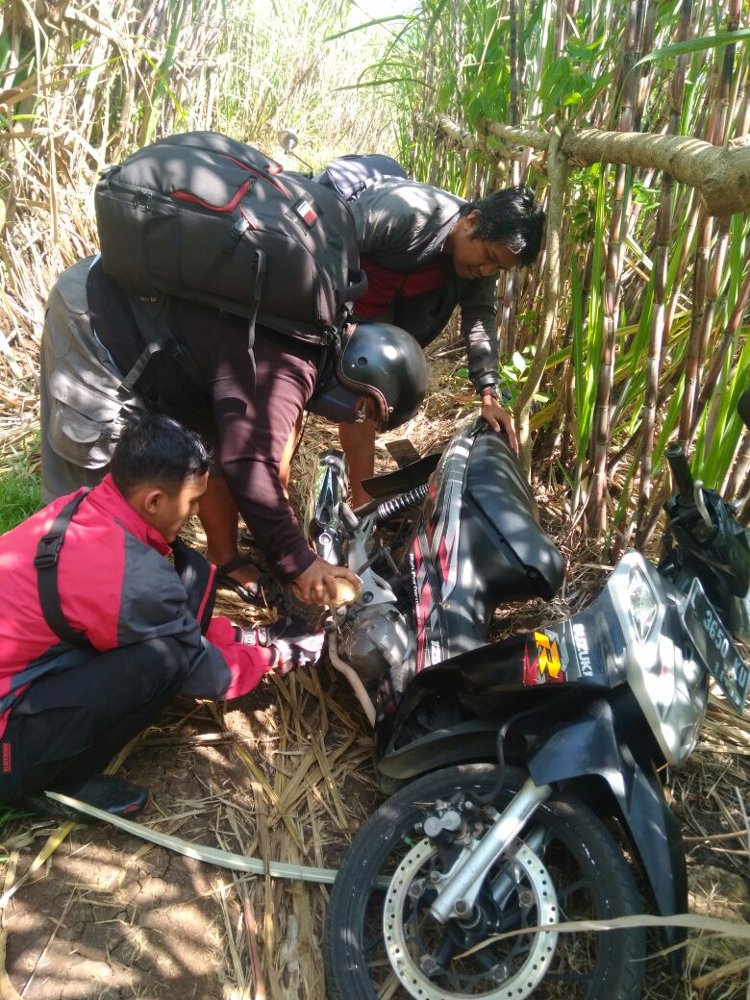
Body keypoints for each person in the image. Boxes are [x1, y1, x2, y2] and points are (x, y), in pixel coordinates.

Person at [39, 253, 428, 606]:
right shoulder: (290, 367)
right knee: (97, 484)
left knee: (208, 445)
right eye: (364, 409)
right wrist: (301, 564)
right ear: (361, 371)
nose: (354, 418)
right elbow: (248, 463)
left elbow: (240, 449)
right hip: (98, 316)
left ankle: (221, 560)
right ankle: (69, 596)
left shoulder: (320, 337)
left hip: (166, 334)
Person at [0, 413, 325, 820]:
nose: (195, 513)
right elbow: (199, 670)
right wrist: (274, 657)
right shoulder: (128, 574)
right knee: (162, 661)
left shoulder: (85, 505)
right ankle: (51, 780)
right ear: (154, 500)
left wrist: (249, 638)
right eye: (192, 502)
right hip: (8, 742)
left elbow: (163, 619)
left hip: (25, 672)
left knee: (184, 577)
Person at [317, 162, 545, 506]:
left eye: (498, 268)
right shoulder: (405, 214)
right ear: (472, 221)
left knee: (366, 399)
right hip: (341, 291)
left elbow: (480, 317)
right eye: (488, 257)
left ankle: (363, 503)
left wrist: (488, 392)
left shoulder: (479, 265)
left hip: (380, 317)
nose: (486, 270)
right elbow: (329, 246)